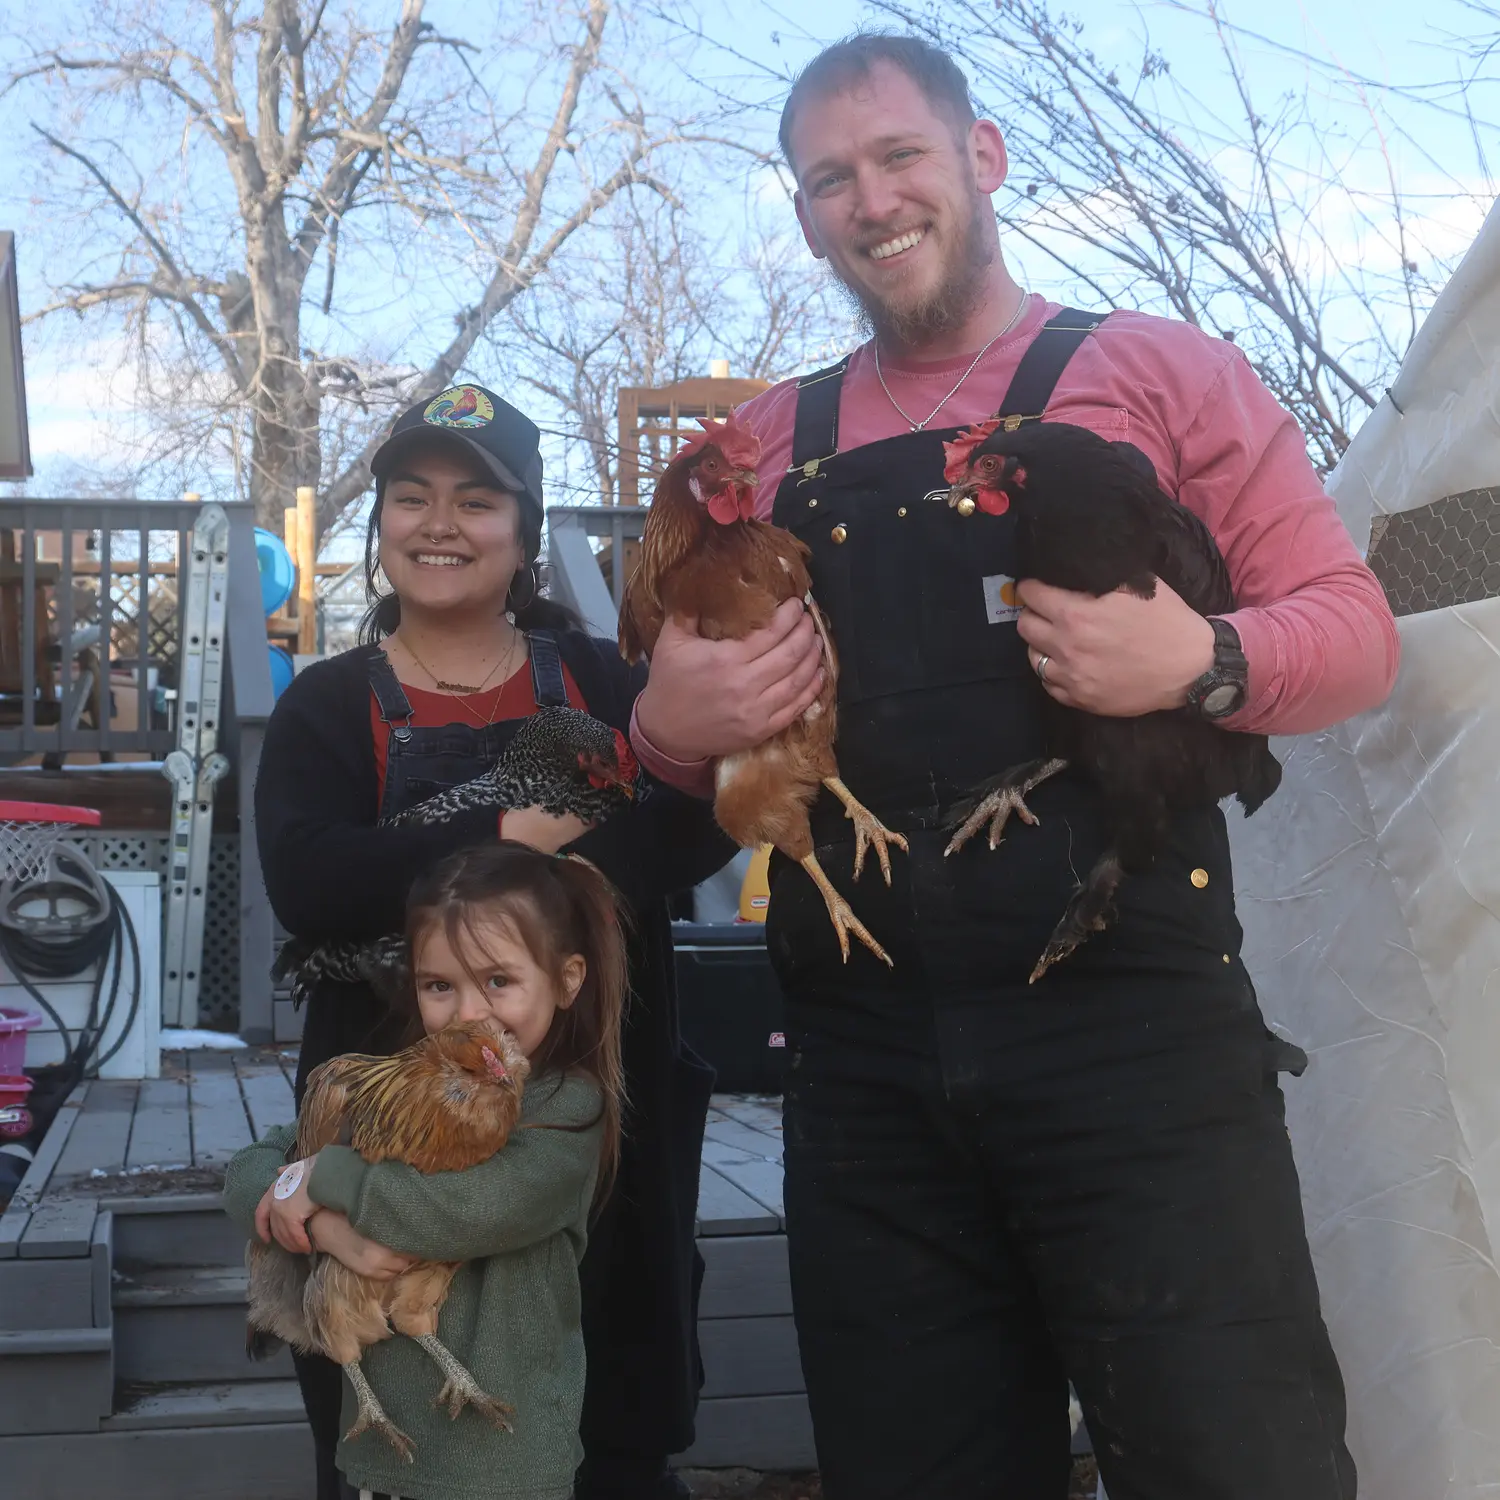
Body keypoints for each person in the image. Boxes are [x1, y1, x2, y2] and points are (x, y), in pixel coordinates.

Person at [630, 34, 1401, 1500]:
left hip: (1136, 1049)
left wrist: (1202, 665)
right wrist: (669, 725)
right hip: (862, 1070)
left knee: (1239, 1465)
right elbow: (671, 771)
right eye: (829, 180)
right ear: (806, 214)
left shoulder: (1161, 371)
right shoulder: (760, 445)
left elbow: (1358, 633)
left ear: (981, 158)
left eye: (900, 155)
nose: (871, 199)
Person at [254, 384, 734, 1500]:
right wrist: (520, 833)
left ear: (523, 532)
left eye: (476, 501)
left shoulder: (606, 684)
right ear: (379, 528)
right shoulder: (331, 705)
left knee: (614, 1408)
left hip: (596, 1110)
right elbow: (308, 881)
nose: (440, 525)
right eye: (411, 498)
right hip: (401, 1131)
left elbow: (695, 827)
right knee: (398, 1419)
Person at [225, 842, 627, 1500]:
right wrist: (322, 1226)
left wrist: (327, 1179)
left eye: (498, 980)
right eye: (439, 985)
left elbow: (465, 1211)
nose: (469, 1012)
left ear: (567, 978)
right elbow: (248, 1173)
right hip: (387, 1453)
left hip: (506, 1463)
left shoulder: (565, 1110)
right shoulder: (395, 1088)